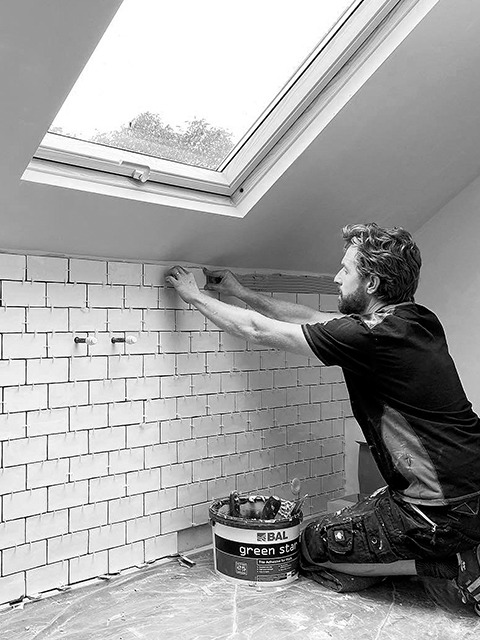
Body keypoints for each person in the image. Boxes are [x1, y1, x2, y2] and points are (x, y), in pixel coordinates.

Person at [166, 223, 480, 614]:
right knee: (357, 519)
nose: (336, 276)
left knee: (313, 545)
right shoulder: (416, 319)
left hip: (436, 511)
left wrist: (193, 296)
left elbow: (254, 329)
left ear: (372, 283)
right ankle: (453, 545)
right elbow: (313, 317)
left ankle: (442, 564)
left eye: (346, 270)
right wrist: (240, 292)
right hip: (470, 491)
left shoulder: (371, 336)